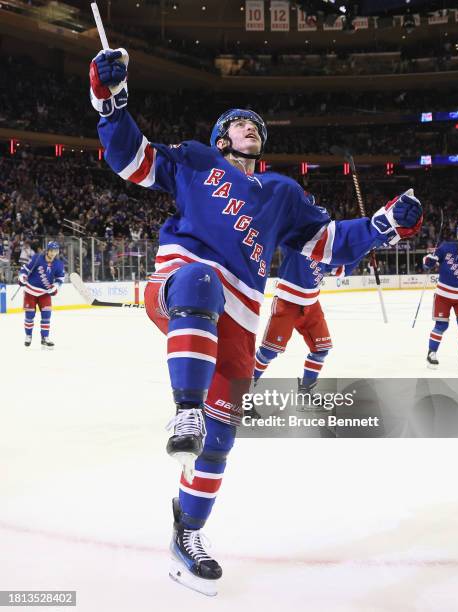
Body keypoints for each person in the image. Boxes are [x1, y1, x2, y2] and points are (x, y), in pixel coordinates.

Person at [89, 48, 423, 596]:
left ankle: (187, 532)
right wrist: (110, 99)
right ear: (222, 136)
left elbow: (329, 244)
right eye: (241, 123)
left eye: (256, 126)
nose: (251, 129)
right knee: (199, 285)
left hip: (242, 312)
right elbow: (131, 158)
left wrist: (386, 223)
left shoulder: (284, 194)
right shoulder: (196, 160)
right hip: (183, 281)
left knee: (221, 440)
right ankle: (185, 414)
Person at [254, 244, 360, 392]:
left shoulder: (327, 246)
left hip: (311, 304)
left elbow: (342, 270)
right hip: (287, 302)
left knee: (321, 350)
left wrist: (364, 248)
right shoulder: (297, 237)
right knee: (268, 351)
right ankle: (243, 390)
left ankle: (306, 391)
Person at [423, 221, 458, 370]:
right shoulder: (446, 247)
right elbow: (427, 261)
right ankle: (432, 353)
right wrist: (429, 261)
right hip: (443, 295)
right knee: (441, 325)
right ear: (457, 235)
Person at [18, 241, 64, 349]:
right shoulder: (37, 258)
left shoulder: (58, 264)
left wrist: (55, 286)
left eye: (56, 251)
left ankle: (45, 338)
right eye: (52, 251)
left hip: (45, 293)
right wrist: (22, 276)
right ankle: (28, 335)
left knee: (47, 316)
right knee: (29, 316)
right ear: (47, 250)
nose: (53, 253)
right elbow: (25, 268)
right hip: (30, 291)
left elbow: (60, 278)